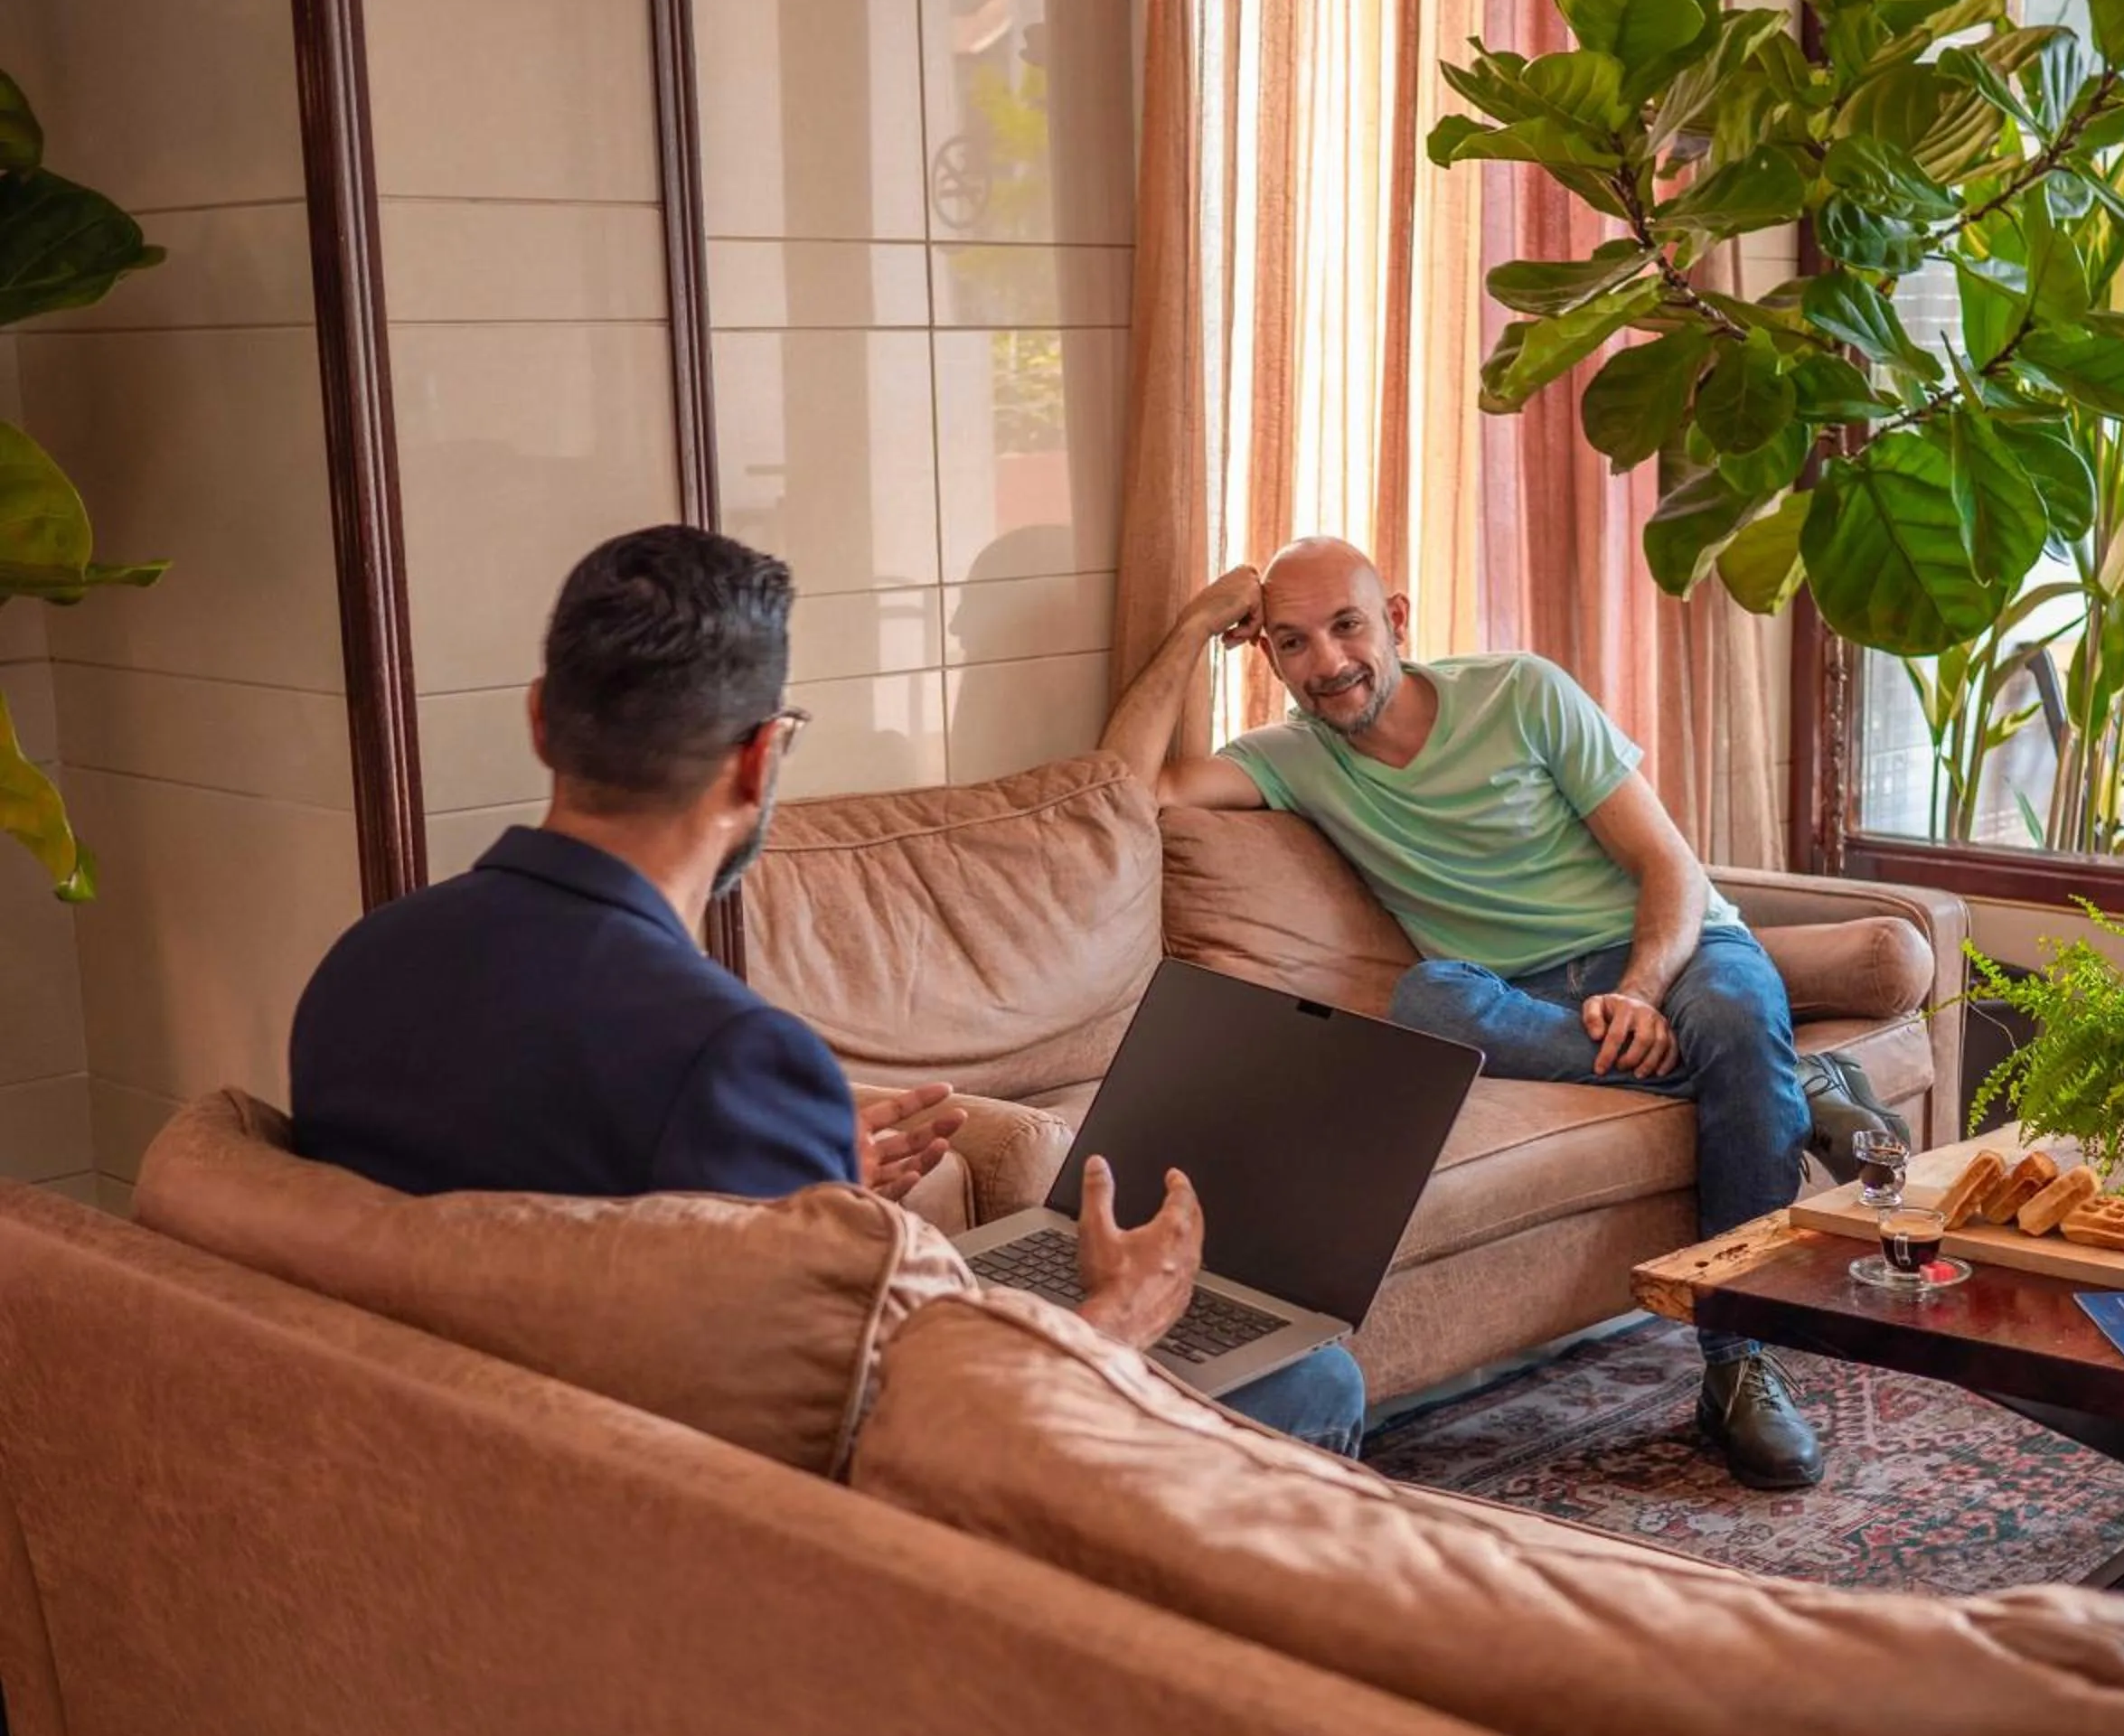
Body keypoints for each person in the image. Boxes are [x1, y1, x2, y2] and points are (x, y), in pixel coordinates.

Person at [290, 524, 1366, 1455]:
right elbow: (879, 1426)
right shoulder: (732, 1059)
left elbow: (608, 1222)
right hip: (727, 1532)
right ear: (763, 759)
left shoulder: (358, 970)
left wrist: (810, 1180)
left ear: (539, 719)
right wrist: (1120, 1313)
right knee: (1312, 1384)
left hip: (467, 1461)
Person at [1100, 537, 1903, 1489]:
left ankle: (1737, 1367)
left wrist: (1642, 991)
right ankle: (1792, 1084)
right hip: (1509, 994)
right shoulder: (1291, 760)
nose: (1327, 664)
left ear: (1397, 620)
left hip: (1672, 954)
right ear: (1266, 656)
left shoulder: (1522, 693)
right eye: (1292, 643)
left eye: (1346, 627)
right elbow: (1124, 784)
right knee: (1426, 1003)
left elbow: (1669, 869)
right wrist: (1194, 625)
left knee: (1731, 1014)